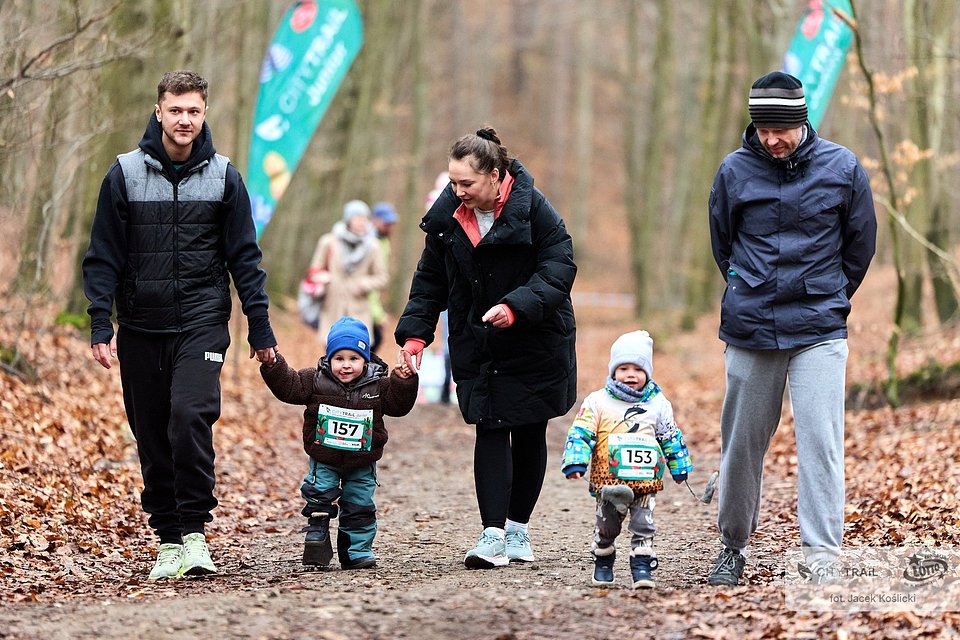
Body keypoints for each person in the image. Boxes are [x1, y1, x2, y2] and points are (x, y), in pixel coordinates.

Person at [81, 70, 279, 581]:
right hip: (141, 325)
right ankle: (168, 540)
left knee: (188, 417)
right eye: (176, 110)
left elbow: (245, 258)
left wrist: (260, 328)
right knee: (150, 432)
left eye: (194, 111)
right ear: (158, 111)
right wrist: (101, 322)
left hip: (202, 322)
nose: (184, 120)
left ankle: (194, 534)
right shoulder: (123, 174)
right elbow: (103, 255)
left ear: (204, 113)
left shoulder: (225, 177)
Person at [706, 71, 877, 586]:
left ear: (803, 121)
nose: (772, 138)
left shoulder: (842, 167)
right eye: (763, 128)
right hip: (751, 326)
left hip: (820, 327)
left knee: (821, 442)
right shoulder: (733, 172)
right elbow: (722, 243)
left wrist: (830, 294)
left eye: (781, 128)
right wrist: (744, 286)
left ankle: (822, 557)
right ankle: (732, 546)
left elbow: (860, 244)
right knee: (742, 443)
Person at [395, 127, 577, 568]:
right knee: (490, 426)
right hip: (478, 340)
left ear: (495, 176)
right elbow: (429, 281)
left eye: (467, 184)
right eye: (452, 183)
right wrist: (417, 334)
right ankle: (492, 534)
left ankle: (518, 530)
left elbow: (559, 266)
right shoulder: (447, 221)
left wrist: (516, 307)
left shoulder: (534, 209)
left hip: (535, 337)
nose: (458, 193)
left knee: (530, 428)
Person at [260, 317, 417, 569]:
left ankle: (356, 551)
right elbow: (288, 386)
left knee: (360, 506)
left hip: (362, 461)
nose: (346, 365)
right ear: (329, 358)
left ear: (365, 359)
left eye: (353, 359)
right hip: (325, 457)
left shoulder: (378, 385)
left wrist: (404, 381)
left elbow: (399, 406)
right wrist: (273, 364)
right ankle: (317, 542)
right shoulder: (314, 380)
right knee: (318, 495)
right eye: (339, 358)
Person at [561, 330, 693, 589]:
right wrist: (576, 461)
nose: (630, 374)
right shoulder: (598, 401)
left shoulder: (658, 404)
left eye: (637, 369)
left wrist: (679, 467)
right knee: (607, 526)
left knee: (644, 524)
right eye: (623, 368)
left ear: (648, 372)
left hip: (645, 481)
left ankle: (642, 567)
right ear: (613, 370)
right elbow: (581, 431)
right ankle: (603, 556)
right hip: (608, 481)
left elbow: (670, 437)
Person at [309, 200, 388, 352]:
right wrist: (325, 278)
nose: (362, 222)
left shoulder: (373, 246)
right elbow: (314, 271)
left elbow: (382, 277)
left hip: (359, 308)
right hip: (333, 305)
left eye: (365, 218)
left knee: (358, 351)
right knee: (331, 351)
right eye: (358, 217)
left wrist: (366, 283)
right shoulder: (329, 242)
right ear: (348, 219)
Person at [368, 201, 398, 353]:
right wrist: (377, 315)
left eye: (390, 223)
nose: (389, 226)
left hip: (372, 302)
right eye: (385, 222)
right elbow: (369, 282)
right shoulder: (368, 242)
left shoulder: (383, 241)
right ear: (374, 219)